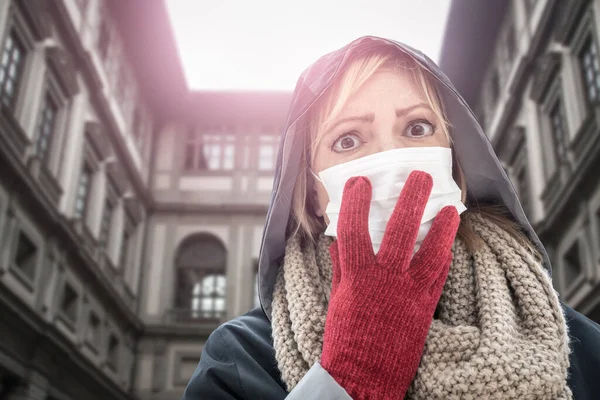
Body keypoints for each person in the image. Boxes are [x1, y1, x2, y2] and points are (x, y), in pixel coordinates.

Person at [181, 36, 600, 399]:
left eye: (417, 128)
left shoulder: (575, 343)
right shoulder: (241, 359)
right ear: (309, 191)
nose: (387, 156)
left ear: (456, 163)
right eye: (348, 139)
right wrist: (348, 381)